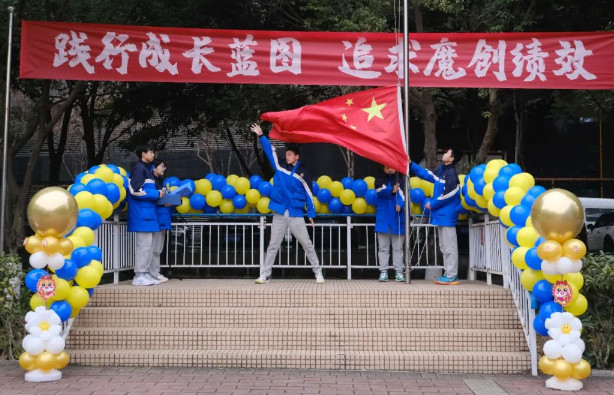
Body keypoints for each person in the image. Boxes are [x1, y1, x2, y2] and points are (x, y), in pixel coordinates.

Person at [250, 123, 324, 284]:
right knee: (273, 245)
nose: (287, 156)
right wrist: (261, 136)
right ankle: (265, 274)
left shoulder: (303, 172)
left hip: (296, 213)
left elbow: (309, 194)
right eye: (287, 154)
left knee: (307, 244)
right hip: (280, 212)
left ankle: (318, 273)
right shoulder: (280, 166)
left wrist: (311, 214)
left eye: (290, 154)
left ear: (297, 156)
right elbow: (271, 152)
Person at [409, 149, 461, 285]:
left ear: (452, 158)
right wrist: (411, 164)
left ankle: (451, 275)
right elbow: (427, 174)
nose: (444, 154)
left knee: (449, 247)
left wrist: (432, 204)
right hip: (441, 215)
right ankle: (449, 274)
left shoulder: (452, 174)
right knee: (444, 246)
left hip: (447, 215)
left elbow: (449, 195)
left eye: (447, 153)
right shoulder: (442, 171)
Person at [128, 144, 164, 286]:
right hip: (142, 214)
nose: (153, 155)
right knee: (144, 246)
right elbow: (134, 190)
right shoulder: (139, 169)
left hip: (148, 214)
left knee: (148, 246)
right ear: (143, 153)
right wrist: (156, 194)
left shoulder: (146, 170)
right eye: (151, 152)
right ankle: (139, 275)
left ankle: (145, 273)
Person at [374, 165, 406, 282]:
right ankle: (383, 271)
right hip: (383, 219)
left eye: (393, 167)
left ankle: (399, 272)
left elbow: (405, 196)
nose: (390, 169)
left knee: (398, 248)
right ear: (382, 168)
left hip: (397, 218)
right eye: (387, 167)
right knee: (383, 248)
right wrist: (392, 190)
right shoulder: (379, 180)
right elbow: (379, 192)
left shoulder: (402, 181)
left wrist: (401, 206)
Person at [151, 158, 170, 283]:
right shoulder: (151, 181)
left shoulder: (160, 181)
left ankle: (155, 272)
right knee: (155, 247)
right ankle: (153, 273)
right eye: (162, 166)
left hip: (162, 217)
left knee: (159, 247)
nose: (164, 169)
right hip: (157, 217)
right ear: (154, 168)